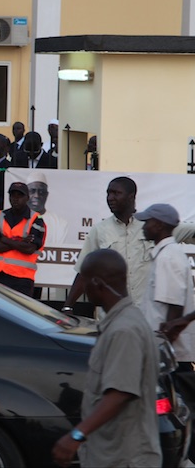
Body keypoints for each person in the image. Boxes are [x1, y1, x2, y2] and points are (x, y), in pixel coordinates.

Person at [50, 249, 161, 467]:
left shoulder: (124, 330)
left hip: (124, 457)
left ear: (97, 283)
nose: (83, 289)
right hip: (109, 453)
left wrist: (76, 435)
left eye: (84, 281)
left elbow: (120, 393)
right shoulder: (121, 322)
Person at [64, 176, 151, 309]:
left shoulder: (149, 227)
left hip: (146, 314)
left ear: (131, 197)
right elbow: (84, 272)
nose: (110, 198)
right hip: (112, 316)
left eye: (116, 193)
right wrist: (68, 306)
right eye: (108, 193)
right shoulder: (100, 230)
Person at [135, 204, 195, 364]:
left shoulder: (167, 257)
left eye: (147, 222)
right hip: (165, 350)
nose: (144, 227)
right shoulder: (168, 253)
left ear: (159, 225)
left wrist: (162, 351)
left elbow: (175, 307)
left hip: (167, 353)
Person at [0, 181, 46, 296]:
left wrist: (5, 239)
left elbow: (29, 249)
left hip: (22, 279)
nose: (16, 199)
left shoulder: (36, 219)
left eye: (20, 195)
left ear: (27, 198)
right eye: (13, 195)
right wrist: (19, 241)